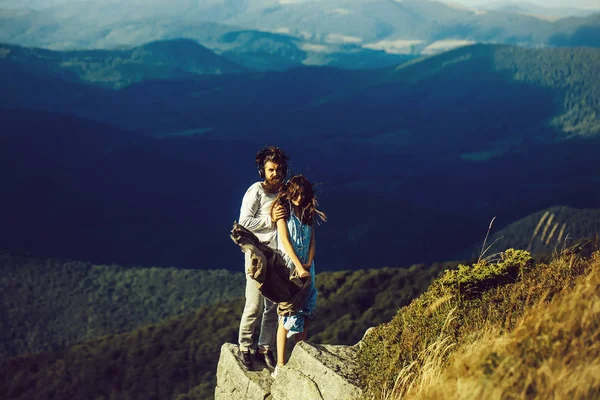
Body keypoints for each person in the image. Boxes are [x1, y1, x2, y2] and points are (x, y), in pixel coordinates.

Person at [237, 146, 288, 371]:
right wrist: (270, 219)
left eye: (278, 170)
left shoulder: (285, 193)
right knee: (254, 304)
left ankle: (264, 348)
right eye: (270, 170)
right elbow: (244, 223)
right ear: (262, 171)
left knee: (272, 307)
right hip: (257, 253)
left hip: (278, 256)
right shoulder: (256, 190)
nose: (275, 174)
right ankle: (244, 347)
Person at [271, 175, 326, 378]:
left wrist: (309, 263)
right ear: (290, 192)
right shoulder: (283, 213)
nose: (300, 197)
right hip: (289, 270)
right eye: (296, 193)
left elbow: (312, 240)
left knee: (305, 312)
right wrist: (298, 266)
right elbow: (285, 241)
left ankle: (300, 359)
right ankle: (281, 364)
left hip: (307, 268)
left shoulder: (306, 213)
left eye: (303, 194)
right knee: (286, 314)